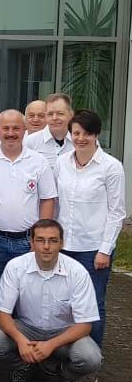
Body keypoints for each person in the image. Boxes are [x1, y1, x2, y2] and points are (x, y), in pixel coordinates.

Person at [0, 109, 57, 367]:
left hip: (27, 242)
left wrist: (40, 238)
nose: (11, 133)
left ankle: (21, 354)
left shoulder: (38, 162)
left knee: (25, 300)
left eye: (16, 128)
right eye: (6, 128)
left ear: (24, 130)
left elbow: (47, 200)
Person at [0, 220, 102, 382]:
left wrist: (51, 345)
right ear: (32, 242)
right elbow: (2, 314)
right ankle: (24, 365)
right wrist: (21, 341)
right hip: (26, 328)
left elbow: (85, 325)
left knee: (91, 358)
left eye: (53, 240)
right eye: (40, 240)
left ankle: (65, 373)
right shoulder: (16, 266)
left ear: (62, 243)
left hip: (64, 332)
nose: (46, 246)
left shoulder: (77, 272)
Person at [57, 109, 125, 351]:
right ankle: (60, 354)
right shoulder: (61, 162)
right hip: (63, 248)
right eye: (76, 133)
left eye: (87, 133)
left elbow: (117, 212)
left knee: (92, 303)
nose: (81, 138)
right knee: (62, 303)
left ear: (97, 134)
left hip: (92, 249)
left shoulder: (111, 167)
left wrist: (105, 250)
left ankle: (89, 357)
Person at [25, 93, 75, 169]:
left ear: (71, 115)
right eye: (50, 114)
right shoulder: (30, 142)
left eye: (60, 113)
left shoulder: (79, 141)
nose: (54, 118)